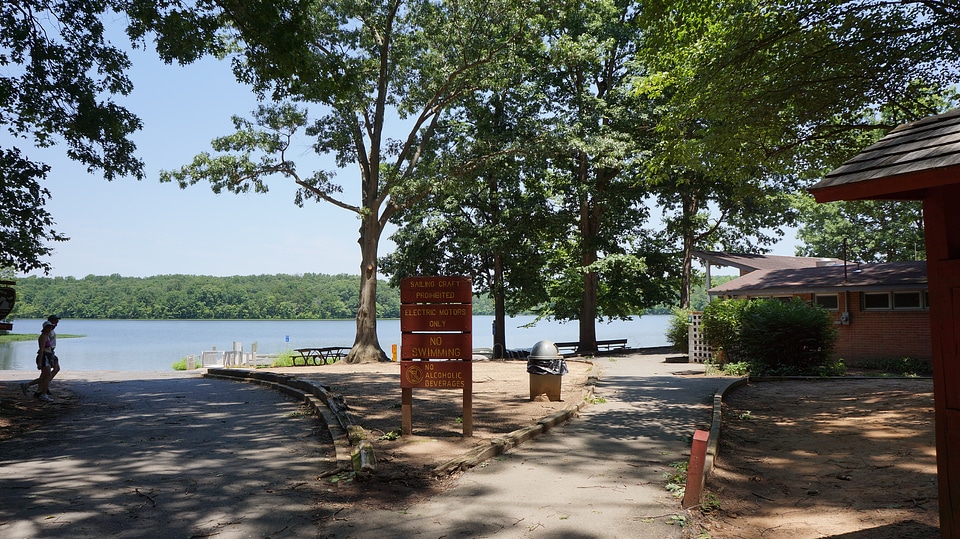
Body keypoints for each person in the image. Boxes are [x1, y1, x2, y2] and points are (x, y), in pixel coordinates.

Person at [20, 315, 61, 402]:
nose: (51, 328)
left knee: (46, 375)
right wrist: (39, 362)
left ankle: (40, 390)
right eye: (49, 326)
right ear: (45, 327)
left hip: (49, 354)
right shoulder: (43, 336)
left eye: (51, 327)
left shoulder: (47, 335)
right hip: (45, 356)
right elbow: (41, 349)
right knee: (46, 375)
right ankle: (40, 391)